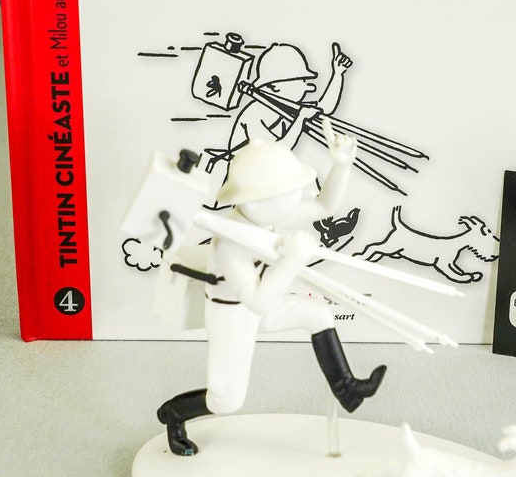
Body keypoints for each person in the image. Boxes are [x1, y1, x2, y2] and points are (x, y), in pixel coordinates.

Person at [157, 121, 385, 456]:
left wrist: (341, 165)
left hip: (259, 301)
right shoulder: (229, 242)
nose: (294, 200)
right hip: (232, 314)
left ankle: (347, 389)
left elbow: (325, 207)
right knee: (226, 400)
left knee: (318, 314)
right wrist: (294, 258)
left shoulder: (269, 215)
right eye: (284, 193)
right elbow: (258, 302)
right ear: (255, 199)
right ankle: (174, 414)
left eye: (292, 191)